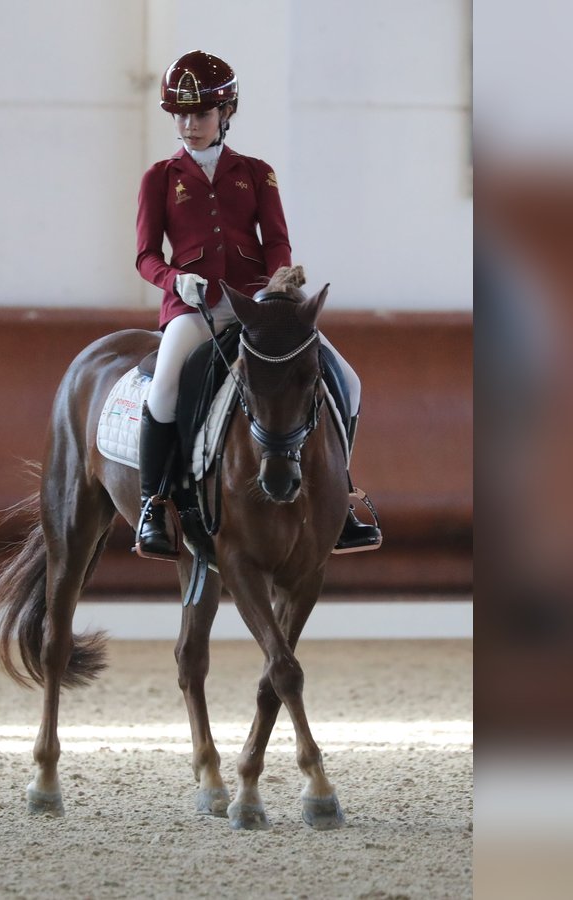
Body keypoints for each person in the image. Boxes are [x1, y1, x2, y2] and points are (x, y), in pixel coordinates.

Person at [134, 49, 381, 559]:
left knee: (349, 384)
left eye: (200, 113)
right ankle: (153, 504)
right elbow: (144, 256)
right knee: (163, 391)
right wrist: (174, 281)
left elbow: (278, 244)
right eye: (180, 114)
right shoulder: (159, 177)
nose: (188, 124)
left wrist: (276, 291)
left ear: (225, 114)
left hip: (259, 307)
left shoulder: (257, 173)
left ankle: (340, 497)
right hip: (195, 309)